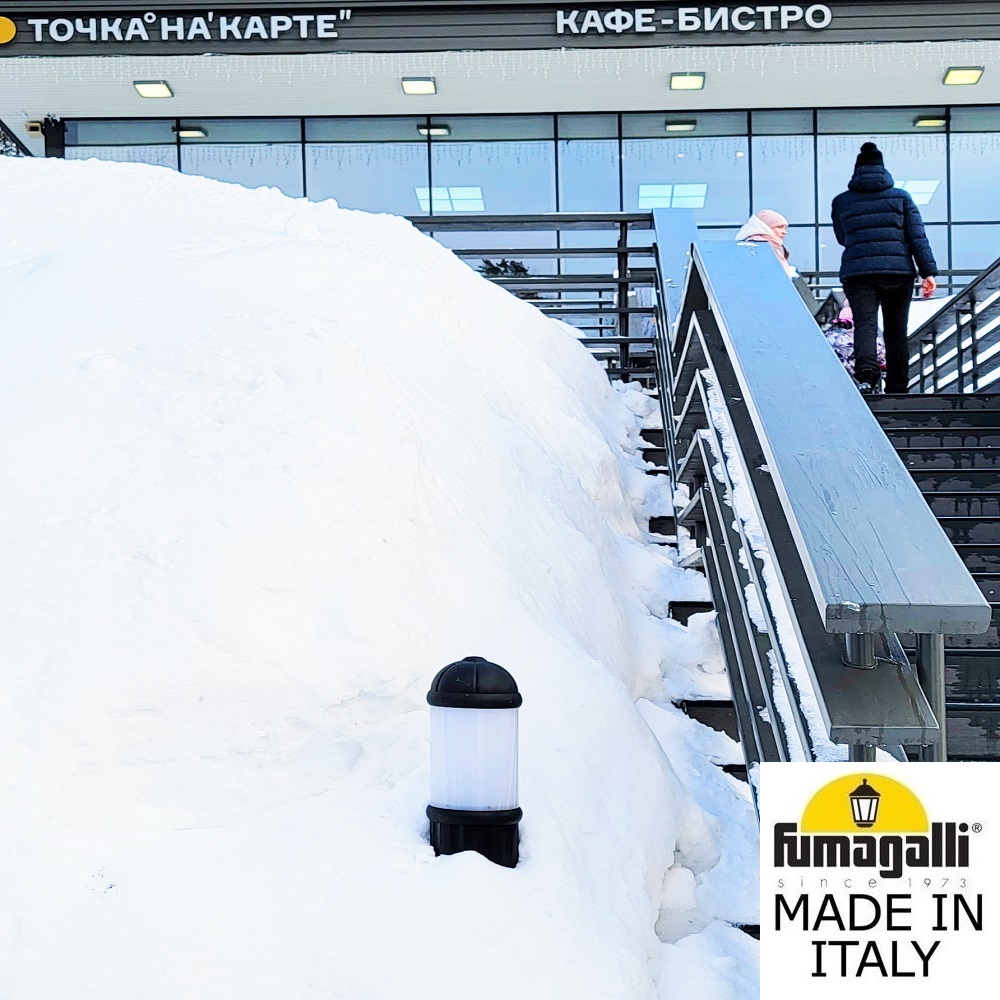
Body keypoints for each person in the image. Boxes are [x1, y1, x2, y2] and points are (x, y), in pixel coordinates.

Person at [831, 142, 937, 394]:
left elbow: (842, 237)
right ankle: (898, 385)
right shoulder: (901, 197)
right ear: (883, 169)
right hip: (897, 271)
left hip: (858, 272)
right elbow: (917, 236)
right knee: (896, 329)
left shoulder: (842, 201)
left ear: (856, 171)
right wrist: (927, 272)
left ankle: (867, 377)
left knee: (864, 324)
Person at [735, 209, 797, 277]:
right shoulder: (758, 245)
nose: (784, 232)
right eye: (779, 227)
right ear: (765, 227)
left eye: (785, 228)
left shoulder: (773, 244)